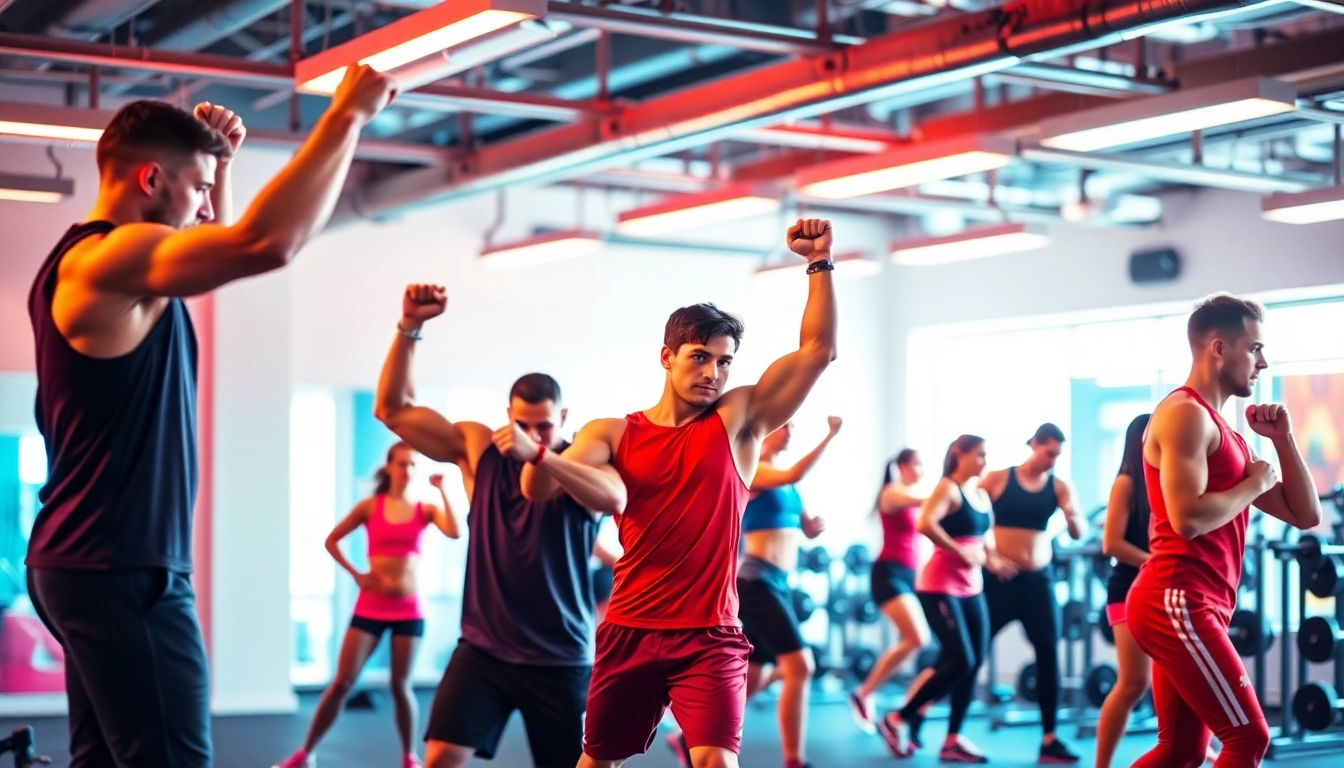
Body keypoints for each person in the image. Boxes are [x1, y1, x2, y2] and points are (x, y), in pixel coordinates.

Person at [24, 66, 395, 767]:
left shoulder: (100, 268)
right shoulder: (110, 259)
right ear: (149, 180)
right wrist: (346, 116)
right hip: (121, 567)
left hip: (94, 561)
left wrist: (217, 168)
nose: (204, 207)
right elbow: (266, 245)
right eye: (195, 188)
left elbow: (220, 253)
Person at [520, 218, 839, 768]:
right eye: (699, 356)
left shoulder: (740, 421)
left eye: (724, 361)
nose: (713, 372)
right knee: (597, 762)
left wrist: (819, 264)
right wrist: (541, 455)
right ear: (666, 356)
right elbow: (539, 488)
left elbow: (818, 351)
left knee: (717, 760)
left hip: (711, 635)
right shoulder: (611, 433)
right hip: (629, 630)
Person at [374, 284, 601, 768]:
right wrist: (410, 327)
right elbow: (392, 410)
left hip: (560, 657)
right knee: (438, 759)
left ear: (562, 418)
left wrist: (539, 454)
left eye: (544, 426)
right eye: (524, 425)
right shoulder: (480, 451)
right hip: (484, 649)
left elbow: (607, 494)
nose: (534, 435)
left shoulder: (580, 461)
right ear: (508, 419)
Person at [1128, 294, 1321, 768]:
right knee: (1248, 738)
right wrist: (1254, 482)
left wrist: (1283, 441)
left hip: (1198, 602)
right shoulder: (1183, 414)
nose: (1263, 361)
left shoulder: (1228, 434)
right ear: (1219, 348)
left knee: (1180, 752)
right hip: (1177, 598)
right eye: (1254, 348)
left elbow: (1305, 514)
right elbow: (1187, 519)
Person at [275, 443, 458, 768]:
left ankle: (408, 757)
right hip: (371, 606)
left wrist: (443, 490)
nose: (407, 470)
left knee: (401, 686)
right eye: (402, 464)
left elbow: (455, 531)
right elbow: (331, 540)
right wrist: (356, 574)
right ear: (389, 467)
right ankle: (305, 754)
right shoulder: (370, 507)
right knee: (343, 681)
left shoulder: (425, 509)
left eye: (412, 465)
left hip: (410, 609)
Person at [877, 435, 1016, 763]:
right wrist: (959, 550)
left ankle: (952, 740)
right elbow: (926, 522)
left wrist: (995, 561)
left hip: (972, 587)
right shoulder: (948, 488)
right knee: (962, 660)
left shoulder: (980, 493)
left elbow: (987, 540)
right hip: (939, 586)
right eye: (979, 455)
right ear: (959, 454)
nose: (984, 461)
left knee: (973, 663)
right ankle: (898, 718)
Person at [732, 416, 841, 768]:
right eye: (784, 426)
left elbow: (802, 524)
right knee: (801, 666)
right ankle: (795, 760)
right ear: (763, 433)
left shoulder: (789, 485)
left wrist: (811, 528)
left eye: (794, 426)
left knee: (758, 676)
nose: (790, 432)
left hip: (780, 582)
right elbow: (794, 474)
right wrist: (830, 435)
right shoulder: (755, 471)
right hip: (756, 581)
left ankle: (689, 737)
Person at [977, 423, 1086, 764]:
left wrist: (1070, 515)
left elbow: (1079, 532)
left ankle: (1050, 738)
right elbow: (969, 518)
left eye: (1058, 455)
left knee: (1049, 654)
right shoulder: (997, 478)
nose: (1053, 461)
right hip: (999, 581)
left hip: (1038, 582)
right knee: (969, 652)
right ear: (1034, 445)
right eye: (1049, 453)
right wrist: (990, 556)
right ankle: (926, 719)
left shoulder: (1059, 486)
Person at [849, 448, 931, 733]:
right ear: (903, 466)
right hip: (888, 574)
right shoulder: (892, 493)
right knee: (918, 638)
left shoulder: (908, 495)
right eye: (917, 465)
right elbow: (922, 499)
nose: (921, 470)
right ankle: (864, 692)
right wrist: (956, 491)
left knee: (910, 641)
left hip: (909, 576)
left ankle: (869, 694)